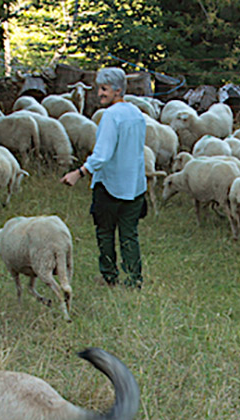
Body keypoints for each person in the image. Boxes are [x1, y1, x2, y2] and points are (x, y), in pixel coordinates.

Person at [61, 67, 147, 288]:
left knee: (106, 232)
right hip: (134, 185)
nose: (99, 93)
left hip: (110, 186)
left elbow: (102, 155)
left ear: (118, 90)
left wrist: (78, 173)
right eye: (100, 88)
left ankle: (109, 276)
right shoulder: (136, 114)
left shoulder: (110, 116)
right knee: (129, 235)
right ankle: (134, 279)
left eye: (104, 89)